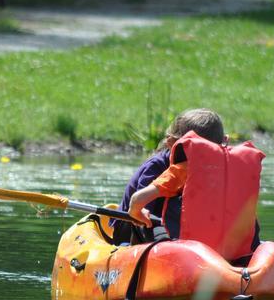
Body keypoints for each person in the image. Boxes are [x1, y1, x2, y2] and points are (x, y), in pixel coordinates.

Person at [128, 124, 264, 263]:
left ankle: (130, 262)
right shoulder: (238, 172)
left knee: (140, 223)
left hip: (189, 254)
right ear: (223, 142)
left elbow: (137, 199)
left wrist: (137, 213)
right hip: (238, 257)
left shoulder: (182, 170)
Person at [112, 109, 226, 245]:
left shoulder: (215, 171)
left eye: (209, 152)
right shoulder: (156, 167)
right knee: (150, 225)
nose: (201, 160)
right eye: (196, 151)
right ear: (172, 143)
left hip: (174, 226)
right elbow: (141, 211)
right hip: (136, 224)